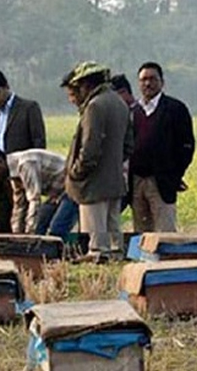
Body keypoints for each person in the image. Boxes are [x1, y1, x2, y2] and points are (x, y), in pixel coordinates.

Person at [63, 62, 133, 263]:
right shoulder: (119, 103)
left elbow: (90, 148)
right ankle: (115, 256)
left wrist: (76, 172)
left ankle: (97, 256)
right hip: (114, 178)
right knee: (113, 227)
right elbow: (129, 145)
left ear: (87, 84)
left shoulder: (95, 106)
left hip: (93, 181)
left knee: (96, 233)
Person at [0, 70, 46, 233]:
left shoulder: (28, 108)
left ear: (6, 86)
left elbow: (39, 144)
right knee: (1, 228)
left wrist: (36, 176)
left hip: (22, 177)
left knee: (22, 226)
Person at [130, 61, 195, 232]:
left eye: (152, 79)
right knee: (141, 233)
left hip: (161, 182)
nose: (148, 83)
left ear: (162, 82)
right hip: (136, 180)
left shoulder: (175, 109)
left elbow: (187, 146)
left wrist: (174, 175)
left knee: (165, 232)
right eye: (143, 80)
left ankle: (167, 259)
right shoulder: (133, 111)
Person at [0, 148, 78, 237]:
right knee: (40, 224)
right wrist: (16, 234)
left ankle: (62, 253)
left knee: (57, 229)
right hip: (57, 194)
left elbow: (34, 199)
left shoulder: (26, 165)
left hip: (73, 188)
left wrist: (29, 233)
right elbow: (20, 205)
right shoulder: (13, 174)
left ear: (0, 162)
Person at [110, 74, 137, 212]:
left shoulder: (140, 113)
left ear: (124, 92)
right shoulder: (115, 115)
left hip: (138, 176)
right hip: (120, 179)